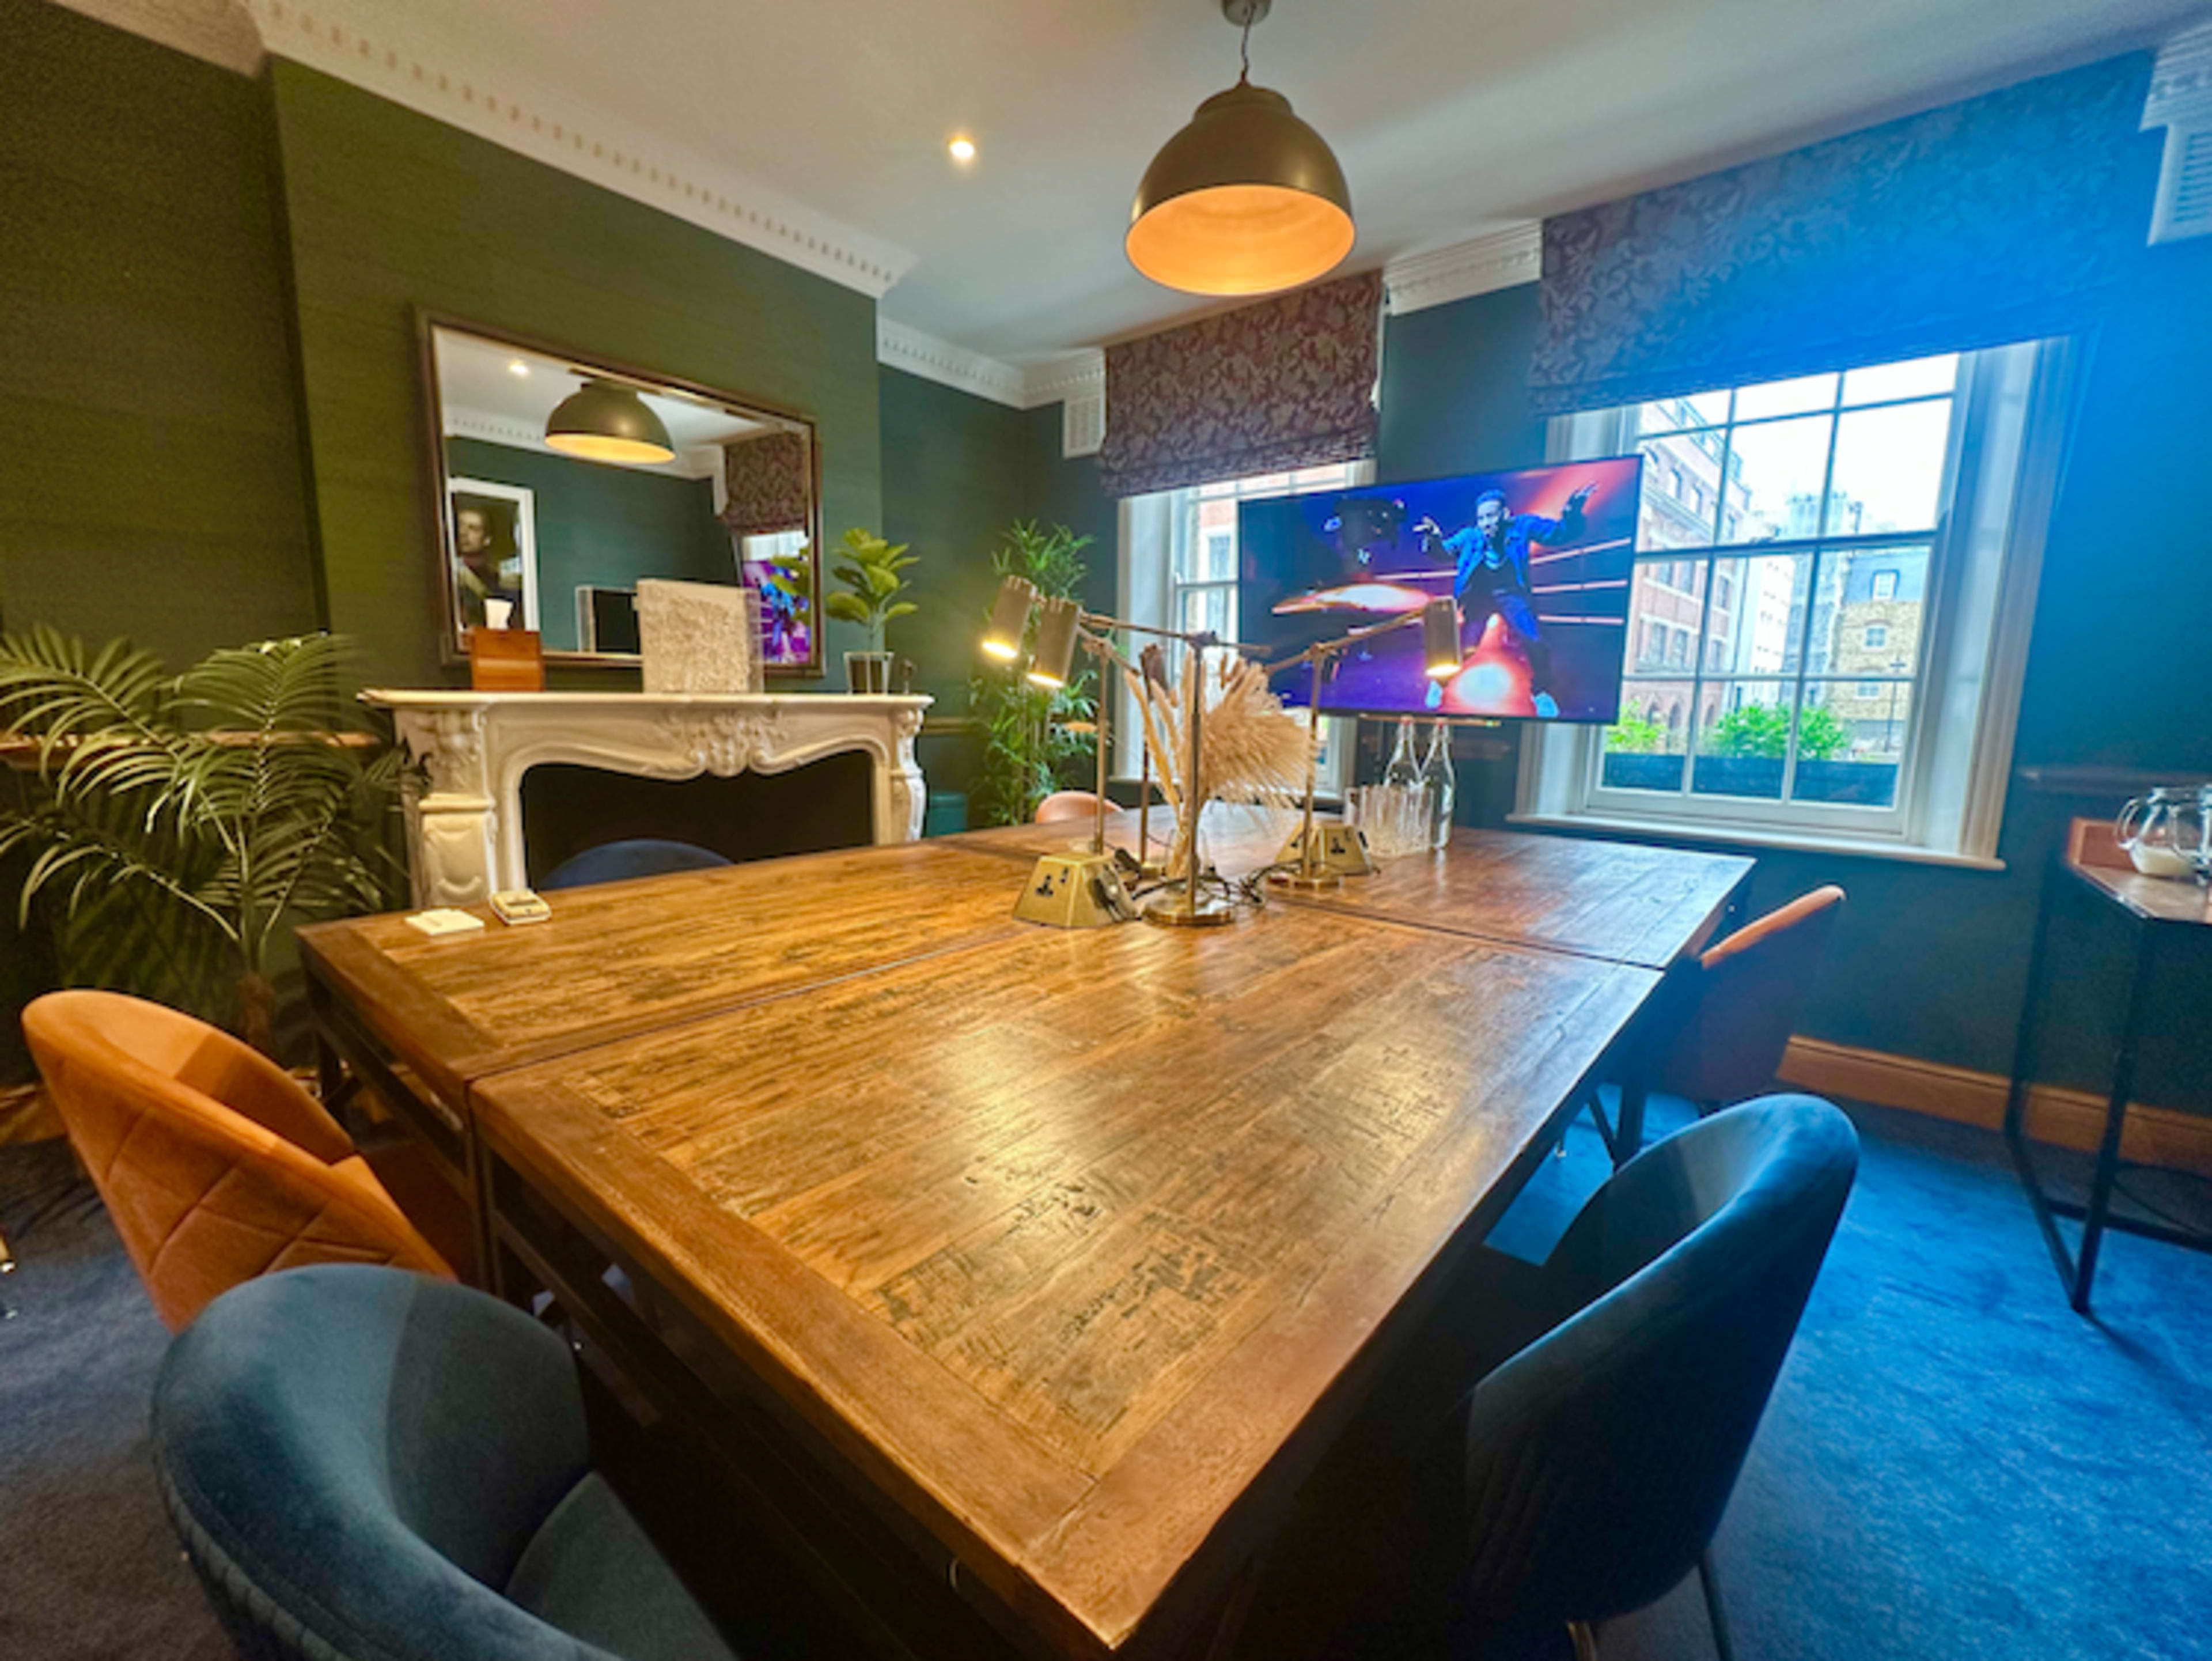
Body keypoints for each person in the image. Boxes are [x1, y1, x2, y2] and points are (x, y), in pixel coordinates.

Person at [1418, 482, 1594, 717]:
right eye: (1481, 518)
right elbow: (1442, 552)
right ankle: (1439, 684)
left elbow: (1559, 533)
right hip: (1479, 596)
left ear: (1505, 514)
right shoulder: (1470, 536)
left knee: (1535, 641)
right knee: (1464, 648)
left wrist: (1572, 513)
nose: (1486, 523)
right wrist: (1434, 539)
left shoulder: (1522, 526)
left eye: (1491, 516)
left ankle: (1541, 692)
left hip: (1511, 594)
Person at [452, 501, 522, 631]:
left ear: (486, 539)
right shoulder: (446, 574)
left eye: (473, 528)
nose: (463, 533)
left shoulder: (498, 581)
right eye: (459, 526)